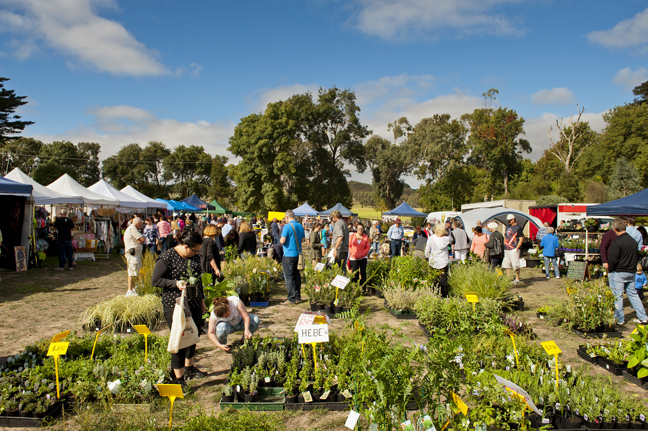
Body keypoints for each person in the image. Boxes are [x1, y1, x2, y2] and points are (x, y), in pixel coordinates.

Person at [152, 230, 206, 385]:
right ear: (186, 247)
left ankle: (189, 369)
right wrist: (174, 283)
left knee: (192, 336)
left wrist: (201, 299)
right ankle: (179, 379)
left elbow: (198, 279)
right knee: (180, 339)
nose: (196, 254)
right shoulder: (167, 257)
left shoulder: (193, 256)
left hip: (194, 302)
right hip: (175, 304)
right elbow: (155, 280)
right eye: (195, 250)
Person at [608, 217, 648, 325]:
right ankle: (643, 317)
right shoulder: (633, 242)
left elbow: (613, 259)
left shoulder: (617, 242)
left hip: (619, 272)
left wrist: (611, 269)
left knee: (618, 296)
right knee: (633, 295)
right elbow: (636, 256)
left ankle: (619, 319)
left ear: (615, 229)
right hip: (631, 272)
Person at [280, 209, 305, 305]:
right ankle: (298, 296)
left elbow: (282, 241)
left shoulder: (287, 226)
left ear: (287, 217)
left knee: (289, 277)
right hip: (298, 255)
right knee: (297, 276)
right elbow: (302, 239)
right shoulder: (300, 226)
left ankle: (291, 298)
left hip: (288, 255)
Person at [425, 223, 450, 297]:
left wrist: (429, 256)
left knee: (433, 280)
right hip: (443, 261)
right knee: (443, 280)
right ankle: (444, 296)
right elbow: (452, 239)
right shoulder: (447, 239)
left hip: (434, 261)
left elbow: (427, 251)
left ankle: (433, 295)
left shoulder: (431, 238)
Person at [124, 217, 146, 296]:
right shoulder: (133, 229)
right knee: (133, 272)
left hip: (135, 253)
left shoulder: (132, 228)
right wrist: (141, 240)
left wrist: (140, 240)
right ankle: (131, 290)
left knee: (134, 271)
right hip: (133, 254)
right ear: (138, 223)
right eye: (141, 224)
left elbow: (141, 239)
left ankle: (133, 289)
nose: (142, 225)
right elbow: (142, 239)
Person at [503, 214, 524, 284]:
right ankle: (508, 278)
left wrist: (517, 248)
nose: (508, 222)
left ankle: (517, 278)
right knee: (507, 264)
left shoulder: (518, 228)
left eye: (509, 221)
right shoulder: (507, 227)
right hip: (507, 248)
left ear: (513, 219)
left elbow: (521, 238)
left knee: (515, 264)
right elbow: (505, 236)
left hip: (514, 248)